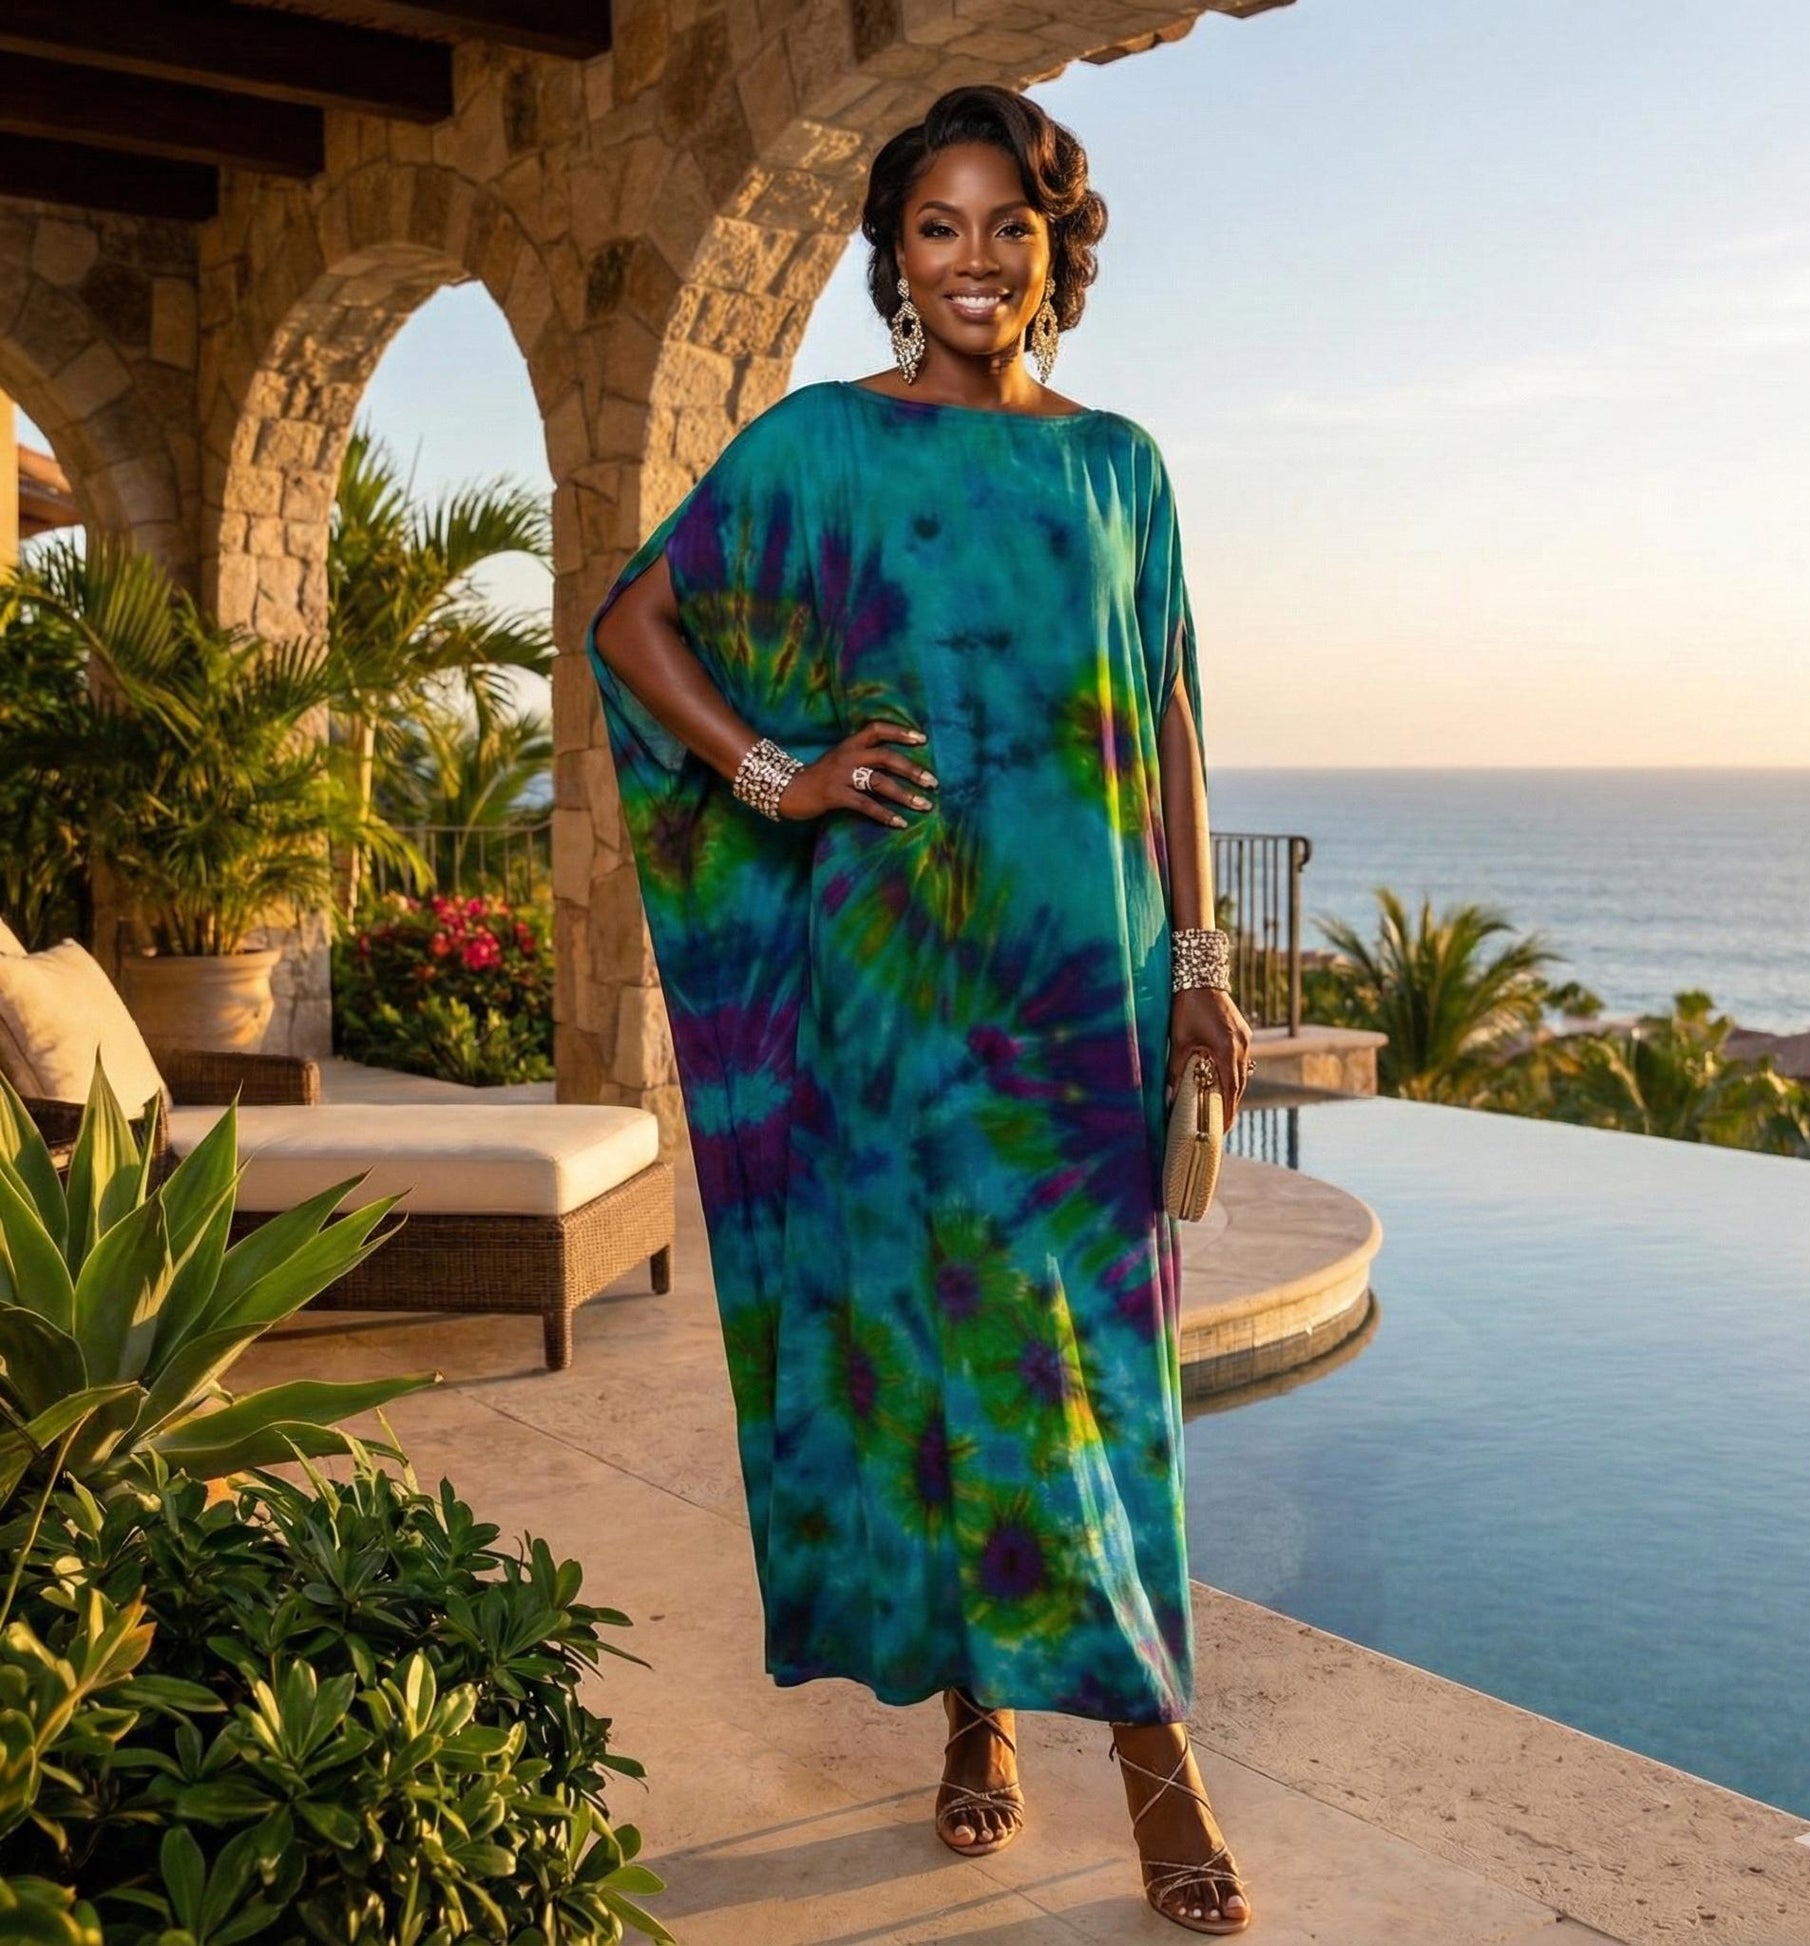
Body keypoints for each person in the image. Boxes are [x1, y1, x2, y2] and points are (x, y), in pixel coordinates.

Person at [587, 83, 1256, 1936]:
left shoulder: (1119, 464)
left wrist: (1200, 971)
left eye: (1007, 226)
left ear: (1055, 251)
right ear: (893, 257)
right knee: (946, 1373)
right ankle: (980, 1717)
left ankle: (1148, 1750)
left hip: (1083, 1004)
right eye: (937, 228)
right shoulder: (821, 447)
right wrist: (773, 773)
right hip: (893, 996)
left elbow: (1172, 718)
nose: (974, 260)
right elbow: (632, 623)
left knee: (1096, 1382)